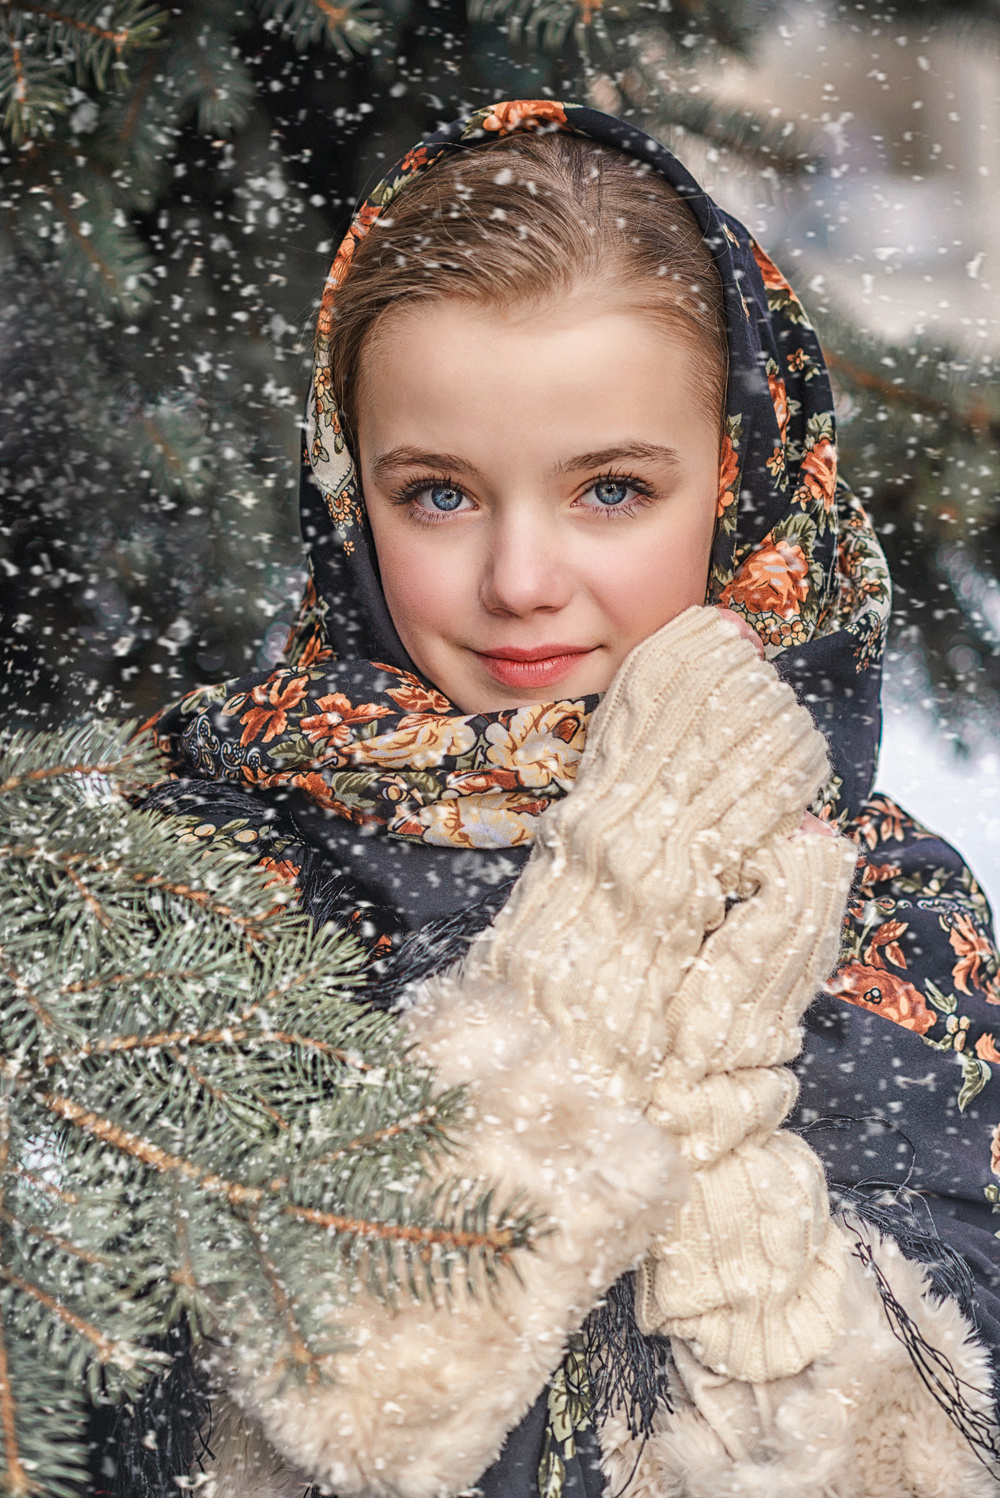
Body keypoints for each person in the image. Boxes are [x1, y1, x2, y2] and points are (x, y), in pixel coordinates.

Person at [131, 100, 1000, 1497]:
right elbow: (223, 1418)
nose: (521, 577)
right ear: (348, 488)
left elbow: (940, 1436)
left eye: (608, 487)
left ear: (743, 479)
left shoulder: (889, 907)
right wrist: (611, 927)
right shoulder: (192, 865)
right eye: (438, 494)